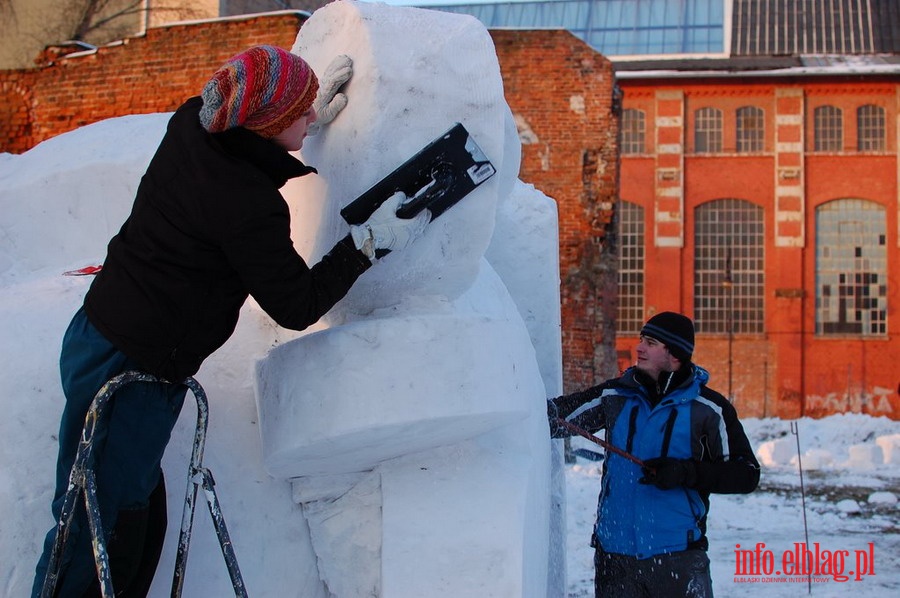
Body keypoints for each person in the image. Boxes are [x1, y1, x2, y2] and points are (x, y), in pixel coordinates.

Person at [33, 45, 431, 597]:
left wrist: (301, 121)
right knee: (98, 534)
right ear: (264, 124)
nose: (313, 117)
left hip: (95, 333)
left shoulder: (192, 124)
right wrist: (366, 245)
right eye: (301, 113)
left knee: (131, 524)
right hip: (131, 375)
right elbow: (294, 304)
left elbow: (241, 156)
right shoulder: (246, 204)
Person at [548, 311, 760, 598]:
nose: (639, 347)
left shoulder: (708, 409)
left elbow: (746, 474)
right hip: (615, 556)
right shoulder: (616, 395)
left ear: (673, 354)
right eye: (641, 339)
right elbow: (557, 418)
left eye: (650, 342)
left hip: (677, 556)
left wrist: (684, 472)